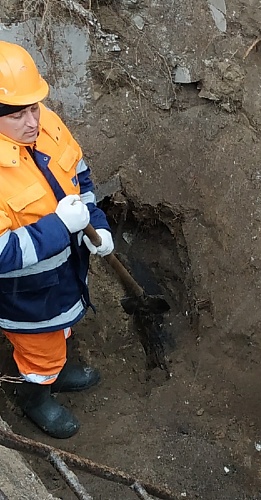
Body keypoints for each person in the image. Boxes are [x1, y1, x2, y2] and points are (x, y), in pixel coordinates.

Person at [0, 41, 114, 439]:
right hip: (25, 295)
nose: (32, 121)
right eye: (17, 115)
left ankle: (57, 367)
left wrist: (97, 223)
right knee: (38, 350)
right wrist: (59, 227)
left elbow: (78, 174)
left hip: (67, 272)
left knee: (61, 330)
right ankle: (35, 394)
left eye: (34, 106)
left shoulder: (45, 122)